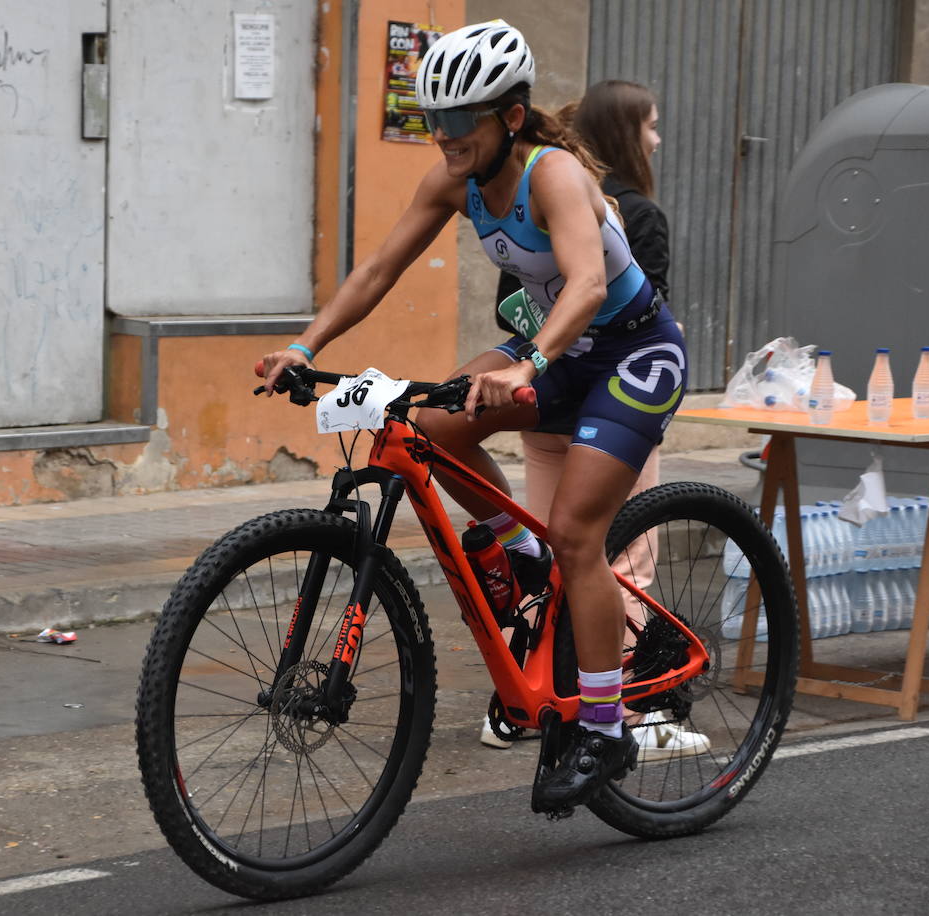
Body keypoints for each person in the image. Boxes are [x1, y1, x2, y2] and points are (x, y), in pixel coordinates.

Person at [259, 21, 688, 812]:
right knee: (424, 424)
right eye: (434, 122)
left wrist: (529, 365)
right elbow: (379, 269)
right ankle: (522, 554)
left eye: (460, 123)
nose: (444, 138)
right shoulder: (455, 180)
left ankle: (604, 726)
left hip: (631, 352)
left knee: (580, 535)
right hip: (549, 345)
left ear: (510, 118)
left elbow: (589, 283)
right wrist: (302, 343)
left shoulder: (552, 174)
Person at [479, 80, 709, 765]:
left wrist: (534, 355)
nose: (657, 140)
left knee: (548, 558)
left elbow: (509, 302)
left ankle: (523, 701)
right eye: (652, 126)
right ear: (626, 135)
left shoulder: (528, 194)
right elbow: (639, 304)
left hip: (542, 392)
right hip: (608, 388)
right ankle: (633, 710)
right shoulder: (632, 211)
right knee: (622, 558)